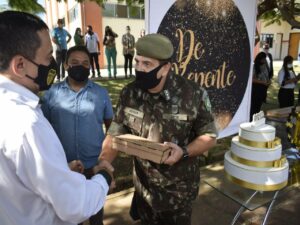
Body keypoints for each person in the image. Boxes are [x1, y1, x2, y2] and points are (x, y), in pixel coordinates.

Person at [0, 11, 114, 225]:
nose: (53, 63)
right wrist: (104, 177)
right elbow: (75, 205)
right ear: (20, 65)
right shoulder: (28, 124)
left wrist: (58, 171)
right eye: (47, 57)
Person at [99, 34, 217, 225]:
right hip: (144, 192)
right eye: (137, 62)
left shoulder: (193, 94)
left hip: (178, 195)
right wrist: (104, 162)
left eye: (147, 64)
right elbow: (115, 132)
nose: (139, 68)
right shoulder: (130, 93)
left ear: (165, 68)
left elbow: (210, 137)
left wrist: (184, 152)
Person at [42, 45, 114, 225]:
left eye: (85, 63)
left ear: (90, 66)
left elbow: (112, 129)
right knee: (68, 216)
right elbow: (44, 130)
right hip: (63, 168)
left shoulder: (101, 93)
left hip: (93, 166)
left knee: (96, 213)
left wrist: (106, 161)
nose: (80, 66)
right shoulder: (52, 94)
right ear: (66, 65)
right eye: (74, 62)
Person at [250, 52, 271, 120]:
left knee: (258, 106)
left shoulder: (265, 66)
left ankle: (255, 120)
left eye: (265, 58)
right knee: (254, 107)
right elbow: (252, 80)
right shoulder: (254, 66)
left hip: (263, 89)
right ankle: (251, 120)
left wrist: (268, 81)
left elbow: (267, 76)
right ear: (260, 59)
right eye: (263, 59)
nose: (264, 60)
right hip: (256, 89)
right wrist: (263, 82)